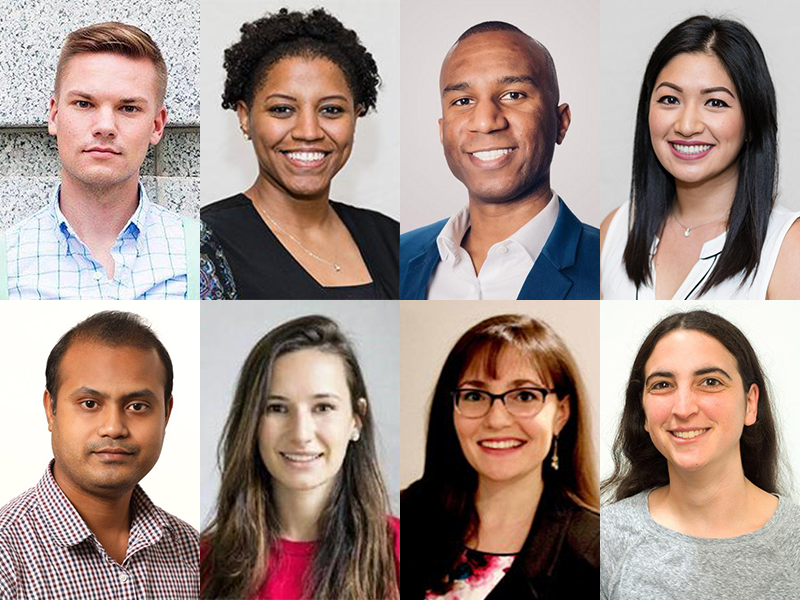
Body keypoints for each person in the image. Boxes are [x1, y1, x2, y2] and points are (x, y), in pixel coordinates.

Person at [200, 8, 399, 300]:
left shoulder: (391, 238)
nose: (309, 131)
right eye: (282, 109)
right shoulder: (204, 243)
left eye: (331, 110)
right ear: (245, 117)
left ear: (355, 116)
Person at [601, 310, 800, 598]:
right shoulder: (604, 539)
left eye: (710, 382)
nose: (683, 409)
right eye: (662, 385)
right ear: (642, 412)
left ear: (750, 403)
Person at [0, 311, 198, 598]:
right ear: (50, 410)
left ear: (166, 414)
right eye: (90, 404)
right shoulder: (6, 554)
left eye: (137, 406)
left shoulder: (193, 551)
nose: (113, 428)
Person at [600, 16, 800, 300]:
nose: (686, 125)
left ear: (752, 123)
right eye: (670, 99)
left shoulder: (789, 248)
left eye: (715, 102)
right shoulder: (614, 231)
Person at [201, 315, 399, 599]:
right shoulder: (200, 564)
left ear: (357, 419)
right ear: (251, 421)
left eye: (323, 407)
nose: (301, 434)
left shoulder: (401, 552)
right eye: (277, 408)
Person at [399, 22, 599, 300]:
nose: (485, 122)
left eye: (513, 95)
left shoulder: (608, 265)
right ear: (442, 131)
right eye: (463, 101)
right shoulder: (397, 257)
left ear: (560, 123)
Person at [403, 314, 598, 599]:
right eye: (474, 396)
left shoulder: (596, 553)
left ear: (561, 413)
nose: (496, 420)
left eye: (524, 396)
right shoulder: (401, 522)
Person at [0, 22, 200, 300]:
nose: (105, 126)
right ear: (55, 116)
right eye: (84, 104)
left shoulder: (204, 255)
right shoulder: (8, 263)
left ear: (157, 125)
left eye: (128, 108)